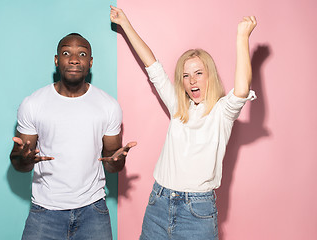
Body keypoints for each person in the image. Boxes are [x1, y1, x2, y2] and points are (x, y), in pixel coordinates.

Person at [110, 5, 257, 240]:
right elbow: (153, 67)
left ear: (210, 74)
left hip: (197, 212)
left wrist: (242, 37)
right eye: (186, 76)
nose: (191, 81)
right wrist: (125, 24)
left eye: (198, 73)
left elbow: (241, 89)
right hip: (159, 202)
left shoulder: (222, 112)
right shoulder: (179, 107)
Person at [10, 32, 136, 240]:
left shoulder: (108, 106)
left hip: (93, 211)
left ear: (91, 62)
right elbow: (20, 163)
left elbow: (112, 163)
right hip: (45, 210)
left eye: (82, 54)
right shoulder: (33, 104)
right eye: (67, 52)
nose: (74, 59)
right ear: (57, 60)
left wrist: (118, 161)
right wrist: (22, 159)